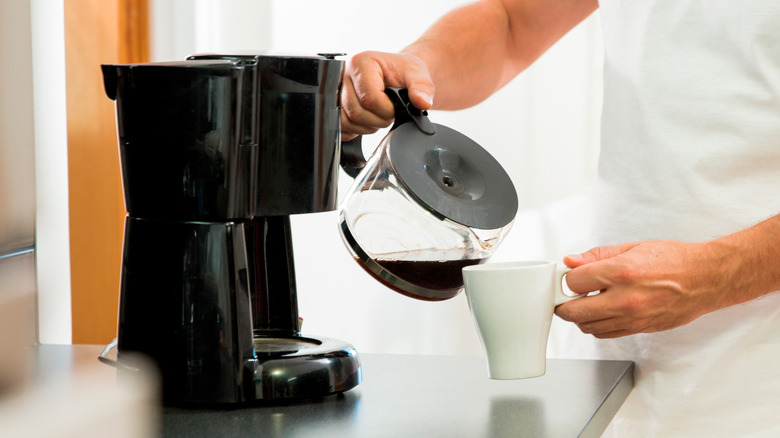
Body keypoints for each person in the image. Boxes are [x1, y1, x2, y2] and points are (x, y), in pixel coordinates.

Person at [340, 1, 780, 436]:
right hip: (608, 383)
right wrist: (417, 68)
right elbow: (513, 23)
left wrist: (716, 275)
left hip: (753, 389)